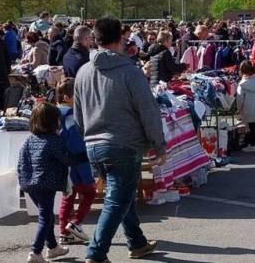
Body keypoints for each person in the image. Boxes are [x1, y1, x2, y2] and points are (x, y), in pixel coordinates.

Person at [74, 17, 164, 263]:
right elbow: (148, 110)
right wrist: (159, 143)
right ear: (120, 39)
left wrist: (89, 137)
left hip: (94, 144)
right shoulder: (129, 71)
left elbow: (78, 115)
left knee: (121, 195)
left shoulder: (83, 71)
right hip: (123, 144)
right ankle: (96, 253)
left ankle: (137, 242)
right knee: (117, 198)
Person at [17, 103, 71, 262]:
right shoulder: (54, 140)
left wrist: (22, 181)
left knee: (45, 215)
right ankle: (35, 251)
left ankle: (53, 247)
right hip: (46, 183)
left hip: (29, 183)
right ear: (54, 121)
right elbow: (66, 159)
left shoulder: (29, 140)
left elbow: (20, 162)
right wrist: (83, 157)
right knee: (46, 218)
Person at [56, 78, 96, 246]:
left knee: (68, 196)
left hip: (65, 162)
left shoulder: (56, 112)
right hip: (79, 160)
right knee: (89, 193)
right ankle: (75, 223)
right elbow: (75, 139)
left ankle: (64, 232)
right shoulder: (70, 114)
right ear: (67, 96)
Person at [237, 60, 255, 153]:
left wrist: (239, 108)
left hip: (248, 109)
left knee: (250, 128)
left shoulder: (242, 85)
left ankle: (252, 145)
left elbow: (239, 98)